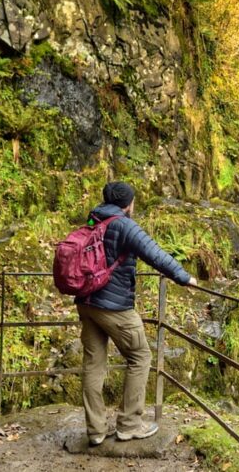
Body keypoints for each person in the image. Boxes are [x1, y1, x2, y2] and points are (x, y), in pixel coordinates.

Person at [76, 181, 197, 446]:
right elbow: (153, 253)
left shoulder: (93, 218)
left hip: (87, 302)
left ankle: (95, 430)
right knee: (140, 355)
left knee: (93, 363)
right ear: (128, 203)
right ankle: (130, 424)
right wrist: (183, 277)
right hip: (113, 306)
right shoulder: (123, 224)